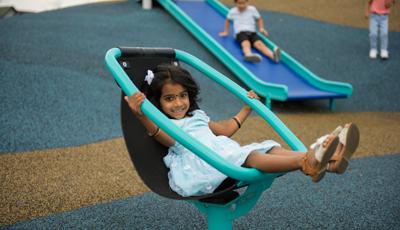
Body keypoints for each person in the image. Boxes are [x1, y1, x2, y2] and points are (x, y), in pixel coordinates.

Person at [124, 64, 360, 197]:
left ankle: (329, 162)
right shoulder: (167, 126)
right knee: (254, 157)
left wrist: (247, 108)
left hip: (223, 153)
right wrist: (142, 115)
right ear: (158, 103)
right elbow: (161, 137)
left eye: (183, 96)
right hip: (203, 166)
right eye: (169, 98)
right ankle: (306, 161)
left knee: (270, 146)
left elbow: (225, 130)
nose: (178, 103)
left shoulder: (198, 116)